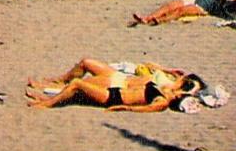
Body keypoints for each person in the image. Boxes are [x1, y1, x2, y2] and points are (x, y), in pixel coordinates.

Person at [26, 58, 205, 112]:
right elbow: (148, 65)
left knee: (80, 85)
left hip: (118, 86)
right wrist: (167, 69)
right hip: (119, 77)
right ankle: (56, 82)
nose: (183, 77)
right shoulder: (168, 78)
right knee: (86, 62)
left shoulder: (167, 90)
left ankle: (45, 94)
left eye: (186, 81)